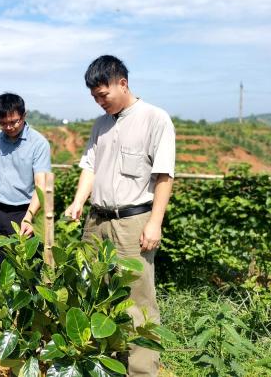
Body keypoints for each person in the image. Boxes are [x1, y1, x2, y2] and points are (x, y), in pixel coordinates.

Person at [65, 55, 175, 376]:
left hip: (132, 222)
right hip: (96, 222)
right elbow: (90, 167)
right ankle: (106, 363)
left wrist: (155, 223)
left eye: (103, 95)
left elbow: (164, 175)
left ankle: (141, 370)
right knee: (94, 291)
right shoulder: (101, 125)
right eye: (94, 97)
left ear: (122, 83)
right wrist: (78, 202)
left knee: (138, 302)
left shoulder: (155, 118)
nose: (100, 102)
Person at [0, 93, 51, 347]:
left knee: (28, 273)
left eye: (14, 122)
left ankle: (29, 329)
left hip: (23, 213)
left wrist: (29, 218)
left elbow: (40, 185)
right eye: (4, 123)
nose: (9, 127)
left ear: (24, 116)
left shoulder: (38, 143)